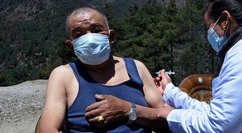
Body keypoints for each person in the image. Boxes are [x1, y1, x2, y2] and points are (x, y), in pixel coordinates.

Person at [85, 0, 242, 132]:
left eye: (208, 27)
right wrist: (170, 90)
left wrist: (162, 114)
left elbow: (218, 127)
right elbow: (216, 113)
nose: (208, 35)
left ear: (225, 20)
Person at [39, 7, 167, 132]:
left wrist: (128, 110)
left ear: (111, 37)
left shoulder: (137, 68)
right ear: (70, 46)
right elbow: (47, 129)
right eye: (79, 34)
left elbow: (165, 118)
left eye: (96, 30)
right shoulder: (63, 75)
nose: (89, 39)